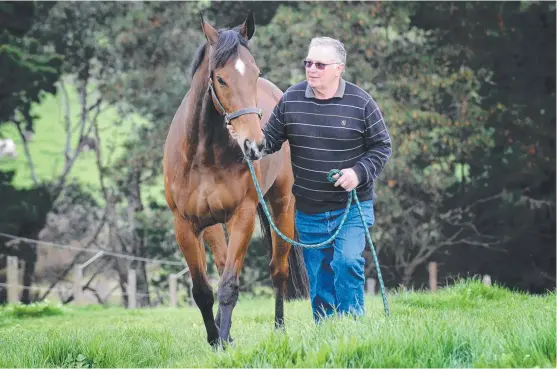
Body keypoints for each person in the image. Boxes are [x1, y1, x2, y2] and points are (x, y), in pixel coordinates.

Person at [228, 37, 392, 323]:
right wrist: (248, 145)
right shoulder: (291, 100)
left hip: (351, 208)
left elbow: (382, 146)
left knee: (347, 262)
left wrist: (357, 173)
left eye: (319, 64)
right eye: (308, 63)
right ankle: (327, 334)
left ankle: (353, 328)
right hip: (309, 211)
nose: (311, 69)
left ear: (338, 68)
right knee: (319, 278)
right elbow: (270, 143)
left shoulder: (361, 102)